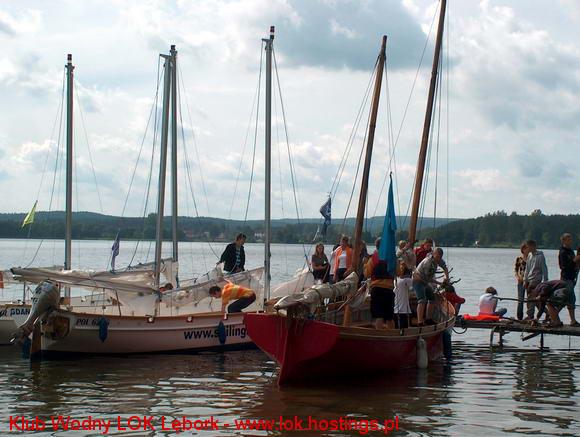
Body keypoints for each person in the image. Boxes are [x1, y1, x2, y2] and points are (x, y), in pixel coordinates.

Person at [413, 247, 449, 326]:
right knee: (422, 300)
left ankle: (428, 319)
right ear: (433, 254)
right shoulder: (428, 262)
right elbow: (428, 279)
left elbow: (445, 268)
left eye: (440, 257)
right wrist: (439, 283)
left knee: (432, 298)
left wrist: (447, 278)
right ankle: (420, 322)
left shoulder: (439, 260)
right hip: (418, 281)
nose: (438, 259)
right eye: (437, 257)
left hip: (425, 282)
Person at [364, 237, 395, 329]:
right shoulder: (392, 258)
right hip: (388, 289)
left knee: (379, 316)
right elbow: (399, 272)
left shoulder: (373, 259)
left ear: (376, 246)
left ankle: (379, 334)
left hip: (377, 289)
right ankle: (392, 335)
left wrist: (365, 265)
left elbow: (367, 274)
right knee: (389, 317)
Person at [558, 233, 580, 327]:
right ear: (563, 241)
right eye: (568, 239)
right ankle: (553, 316)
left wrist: (577, 263)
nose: (570, 241)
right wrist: (574, 260)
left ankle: (572, 320)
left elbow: (574, 264)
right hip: (565, 278)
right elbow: (563, 266)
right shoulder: (563, 252)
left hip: (571, 278)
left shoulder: (571, 251)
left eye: (571, 239)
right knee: (570, 298)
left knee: (567, 299)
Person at [523, 240, 548, 320]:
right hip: (529, 280)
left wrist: (545, 281)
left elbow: (544, 268)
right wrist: (525, 280)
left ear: (533, 246)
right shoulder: (530, 255)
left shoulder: (540, 256)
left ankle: (530, 315)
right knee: (535, 300)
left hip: (536, 280)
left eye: (528, 247)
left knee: (530, 298)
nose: (527, 248)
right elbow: (527, 268)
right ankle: (548, 313)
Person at [514, 242, 528, 320]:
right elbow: (516, 270)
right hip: (521, 281)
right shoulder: (519, 258)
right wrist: (517, 277)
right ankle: (519, 318)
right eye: (526, 248)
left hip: (529, 281)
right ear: (523, 249)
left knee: (531, 299)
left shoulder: (531, 258)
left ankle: (530, 316)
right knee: (520, 300)